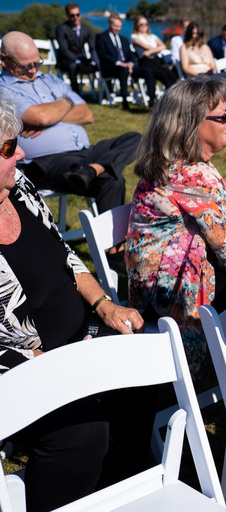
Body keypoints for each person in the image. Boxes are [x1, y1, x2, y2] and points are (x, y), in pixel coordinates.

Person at [0, 92, 150, 512]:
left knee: (142, 370)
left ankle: (120, 486)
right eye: (9, 147)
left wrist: (105, 306)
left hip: (78, 332)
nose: (22, 152)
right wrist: (52, 362)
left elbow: (66, 255)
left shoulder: (21, 187)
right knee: (83, 433)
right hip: (22, 366)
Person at [126, 78, 226, 376]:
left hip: (154, 290)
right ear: (192, 124)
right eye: (222, 116)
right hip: (173, 298)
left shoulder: (173, 165)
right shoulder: (192, 177)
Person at [0, 31, 139, 215]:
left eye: (37, 63)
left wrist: (50, 117)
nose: (33, 70)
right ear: (4, 60)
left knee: (137, 138)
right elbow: (39, 117)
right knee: (113, 180)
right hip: (47, 162)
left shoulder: (50, 79)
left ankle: (92, 169)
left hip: (84, 153)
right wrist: (67, 102)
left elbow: (87, 114)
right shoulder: (4, 89)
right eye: (25, 66)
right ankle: (116, 244)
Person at [95, 13, 157, 110]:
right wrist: (120, 63)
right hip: (110, 67)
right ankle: (125, 101)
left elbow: (130, 55)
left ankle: (152, 100)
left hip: (126, 67)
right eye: (115, 26)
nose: (118, 28)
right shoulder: (101, 37)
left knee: (148, 71)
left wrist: (130, 64)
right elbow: (103, 55)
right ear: (109, 24)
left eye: (119, 26)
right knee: (123, 70)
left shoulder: (124, 39)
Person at [54, 2, 97, 96]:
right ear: (67, 16)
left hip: (82, 59)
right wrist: (78, 62)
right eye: (72, 15)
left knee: (98, 65)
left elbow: (93, 47)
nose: (75, 18)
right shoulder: (61, 29)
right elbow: (64, 50)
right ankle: (76, 94)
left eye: (77, 15)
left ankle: (105, 94)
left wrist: (93, 62)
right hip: (67, 61)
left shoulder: (86, 28)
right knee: (73, 66)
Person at [130, 16, 178, 89]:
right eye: (141, 24)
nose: (144, 26)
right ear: (136, 26)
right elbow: (145, 46)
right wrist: (156, 49)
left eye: (146, 24)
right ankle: (169, 96)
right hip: (146, 61)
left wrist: (150, 51)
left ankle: (174, 94)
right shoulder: (134, 36)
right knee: (163, 76)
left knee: (171, 75)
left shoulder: (152, 36)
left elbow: (163, 46)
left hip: (156, 60)